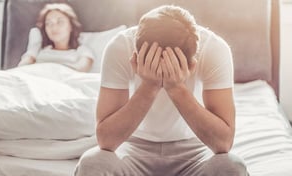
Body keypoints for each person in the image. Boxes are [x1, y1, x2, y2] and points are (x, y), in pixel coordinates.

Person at [74, 5, 248, 176]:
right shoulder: (120, 46)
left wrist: (177, 88)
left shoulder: (213, 48)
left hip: (195, 151)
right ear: (136, 57)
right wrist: (149, 86)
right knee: (92, 164)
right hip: (133, 148)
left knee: (231, 167)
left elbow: (223, 144)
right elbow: (106, 141)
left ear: (192, 63)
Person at [18, 3, 94, 72]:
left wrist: (51, 70)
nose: (54, 27)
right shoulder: (38, 48)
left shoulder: (82, 50)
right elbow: (21, 68)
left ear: (71, 26)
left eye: (60, 22)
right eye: (49, 23)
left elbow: (81, 70)